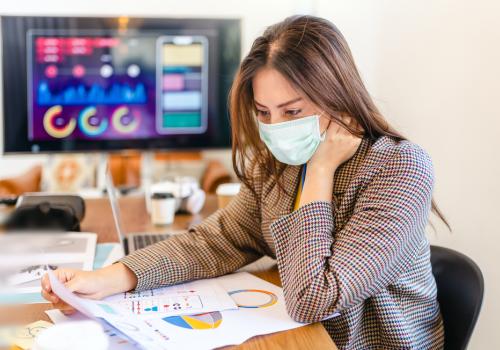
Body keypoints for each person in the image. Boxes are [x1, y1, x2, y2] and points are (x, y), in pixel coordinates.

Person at [42, 15, 446, 349]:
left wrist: (320, 174)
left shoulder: (400, 168)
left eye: (292, 112)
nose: (276, 129)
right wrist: (108, 278)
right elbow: (215, 242)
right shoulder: (277, 165)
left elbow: (314, 299)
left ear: (337, 96)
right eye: (264, 113)